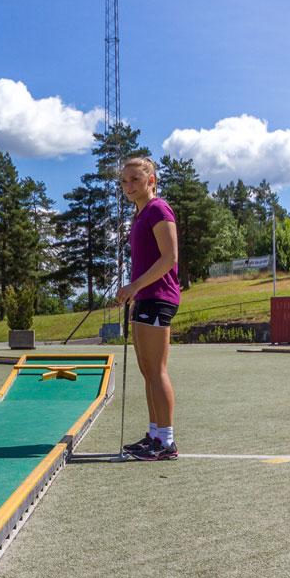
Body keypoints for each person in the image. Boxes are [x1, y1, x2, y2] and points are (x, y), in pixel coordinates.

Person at [115, 157, 180, 461]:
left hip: (158, 295)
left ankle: (166, 442)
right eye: (124, 181)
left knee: (156, 369)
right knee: (146, 370)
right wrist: (133, 290)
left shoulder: (157, 209)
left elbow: (169, 258)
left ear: (151, 180)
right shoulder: (139, 215)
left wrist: (134, 286)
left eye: (135, 180)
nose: (129, 186)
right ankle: (154, 435)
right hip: (144, 296)